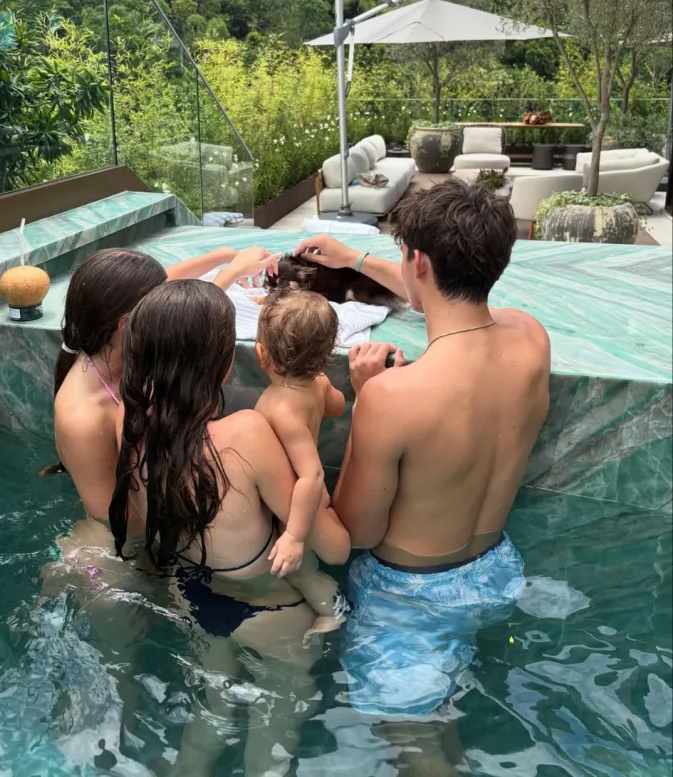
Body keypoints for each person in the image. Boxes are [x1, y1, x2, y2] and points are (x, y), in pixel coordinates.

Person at [295, 179, 551, 774]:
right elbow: (448, 299)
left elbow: (355, 532)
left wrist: (366, 399)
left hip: (410, 601)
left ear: (418, 263)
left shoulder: (395, 398)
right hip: (494, 574)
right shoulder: (531, 337)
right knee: (442, 732)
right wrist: (357, 260)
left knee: (415, 749)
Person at [109, 279, 351, 777]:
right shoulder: (246, 434)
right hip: (268, 610)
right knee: (273, 729)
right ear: (223, 364)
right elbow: (338, 548)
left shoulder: (132, 433)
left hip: (194, 598)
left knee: (210, 717)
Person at [53, 244, 281, 520]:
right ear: (128, 324)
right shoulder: (84, 418)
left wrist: (226, 258)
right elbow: (119, 522)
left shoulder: (111, 340)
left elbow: (169, 284)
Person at [254, 290, 348, 640]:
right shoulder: (319, 383)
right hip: (313, 497)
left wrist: (294, 536)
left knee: (299, 571)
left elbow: (311, 474)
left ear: (261, 354)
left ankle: (333, 610)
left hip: (297, 501)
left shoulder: (280, 408)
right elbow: (338, 407)